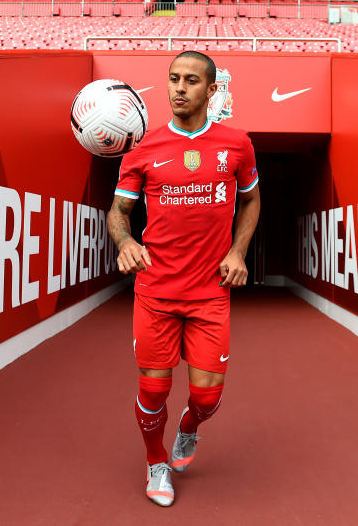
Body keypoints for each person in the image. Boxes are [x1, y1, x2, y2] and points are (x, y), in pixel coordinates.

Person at [106, 51, 261, 507]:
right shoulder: (143, 150)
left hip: (210, 293)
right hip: (155, 291)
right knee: (153, 388)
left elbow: (251, 201)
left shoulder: (237, 144)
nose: (179, 88)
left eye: (191, 81)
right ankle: (156, 462)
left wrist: (238, 251)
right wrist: (125, 243)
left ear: (211, 91)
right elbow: (119, 211)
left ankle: (189, 428)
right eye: (173, 79)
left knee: (207, 398)